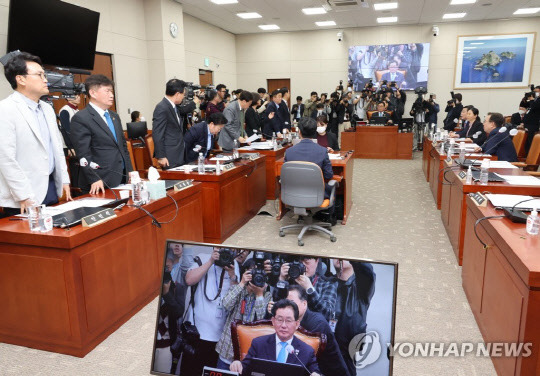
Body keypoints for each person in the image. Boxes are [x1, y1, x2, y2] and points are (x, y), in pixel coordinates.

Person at [0, 51, 71, 218]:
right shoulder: (6, 109)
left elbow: (56, 148)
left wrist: (65, 179)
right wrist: (22, 194)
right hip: (24, 194)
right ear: (21, 79)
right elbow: (5, 158)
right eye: (39, 75)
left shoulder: (46, 108)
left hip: (50, 186)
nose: (46, 79)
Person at [181, 247, 240, 376]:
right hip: (197, 333)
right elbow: (189, 280)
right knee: (190, 371)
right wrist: (210, 261)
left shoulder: (233, 263)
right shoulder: (202, 257)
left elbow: (235, 297)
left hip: (219, 336)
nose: (224, 252)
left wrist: (232, 275)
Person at [70, 74, 132, 194]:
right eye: (107, 91)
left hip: (122, 177)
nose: (111, 95)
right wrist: (94, 178)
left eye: (112, 91)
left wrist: (130, 171)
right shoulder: (81, 118)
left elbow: (123, 147)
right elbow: (83, 153)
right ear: (92, 93)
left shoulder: (114, 116)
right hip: (99, 181)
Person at [229, 299, 321, 376]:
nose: (283, 325)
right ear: (273, 321)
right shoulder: (259, 344)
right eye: (280, 320)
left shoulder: (307, 351)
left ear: (297, 324)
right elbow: (245, 368)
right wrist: (237, 364)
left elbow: (316, 372)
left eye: (288, 321)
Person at [215, 258, 272, 370]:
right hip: (227, 351)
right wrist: (241, 283)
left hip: (248, 356)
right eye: (252, 272)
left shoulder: (267, 295)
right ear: (245, 272)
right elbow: (226, 305)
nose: (255, 277)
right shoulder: (237, 289)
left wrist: (259, 295)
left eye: (258, 274)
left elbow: (262, 320)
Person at [287, 285, 350, 376]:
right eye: (286, 303)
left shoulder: (317, 323)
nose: (288, 307)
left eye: (292, 303)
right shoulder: (291, 321)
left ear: (304, 304)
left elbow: (302, 356)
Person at [332, 259, 376, 376]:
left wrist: (352, 255)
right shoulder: (326, 284)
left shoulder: (361, 287)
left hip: (346, 357)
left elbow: (367, 272)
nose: (339, 257)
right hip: (323, 355)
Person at [151, 79, 196, 170]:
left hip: (179, 154)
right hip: (169, 156)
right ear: (177, 94)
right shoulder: (162, 107)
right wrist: (161, 156)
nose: (183, 97)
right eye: (183, 94)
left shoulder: (174, 106)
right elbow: (157, 133)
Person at [278, 256, 337, 320]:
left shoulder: (326, 284)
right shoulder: (289, 281)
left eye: (306, 262)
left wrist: (310, 289)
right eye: (299, 263)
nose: (302, 266)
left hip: (313, 327)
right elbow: (276, 306)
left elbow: (328, 314)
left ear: (317, 261)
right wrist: (282, 280)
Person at [284, 117, 333, 189]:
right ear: (314, 132)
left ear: (299, 132)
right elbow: (328, 175)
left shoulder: (289, 152)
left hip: (293, 195)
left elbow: (286, 175)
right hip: (316, 196)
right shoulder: (322, 151)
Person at [523, 86, 540, 153]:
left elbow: (534, 107)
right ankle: (525, 155)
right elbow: (524, 105)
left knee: (531, 142)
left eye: (537, 91)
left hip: (533, 124)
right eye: (534, 91)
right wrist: (525, 98)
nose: (535, 93)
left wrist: (532, 100)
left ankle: (530, 156)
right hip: (527, 124)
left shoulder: (537, 100)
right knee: (526, 142)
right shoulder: (535, 99)